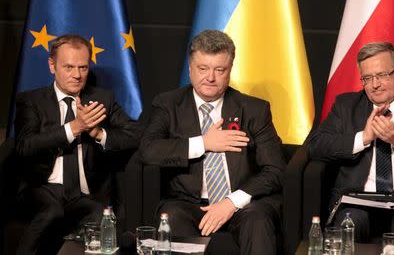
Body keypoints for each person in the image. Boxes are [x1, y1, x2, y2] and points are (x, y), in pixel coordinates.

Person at [139, 29, 285, 255]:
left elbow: (275, 170)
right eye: (203, 68)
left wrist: (231, 202)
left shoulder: (255, 109)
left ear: (230, 71)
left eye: (220, 70)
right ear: (190, 68)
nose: (210, 77)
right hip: (188, 204)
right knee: (172, 216)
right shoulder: (168, 105)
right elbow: (148, 151)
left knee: (258, 219)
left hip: (242, 205)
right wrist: (204, 143)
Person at [308, 42, 394, 248]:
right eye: (367, 78)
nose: (375, 84)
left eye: (382, 75)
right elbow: (315, 145)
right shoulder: (346, 106)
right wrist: (362, 138)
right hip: (358, 200)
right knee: (351, 222)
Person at [14, 34, 140, 254]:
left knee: (101, 217)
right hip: (43, 187)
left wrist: (98, 132)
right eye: (69, 67)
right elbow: (25, 145)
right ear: (52, 66)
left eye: (83, 67)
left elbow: (136, 134)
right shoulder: (32, 101)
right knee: (52, 211)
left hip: (83, 193)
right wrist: (74, 127)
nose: (77, 75)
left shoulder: (102, 100)